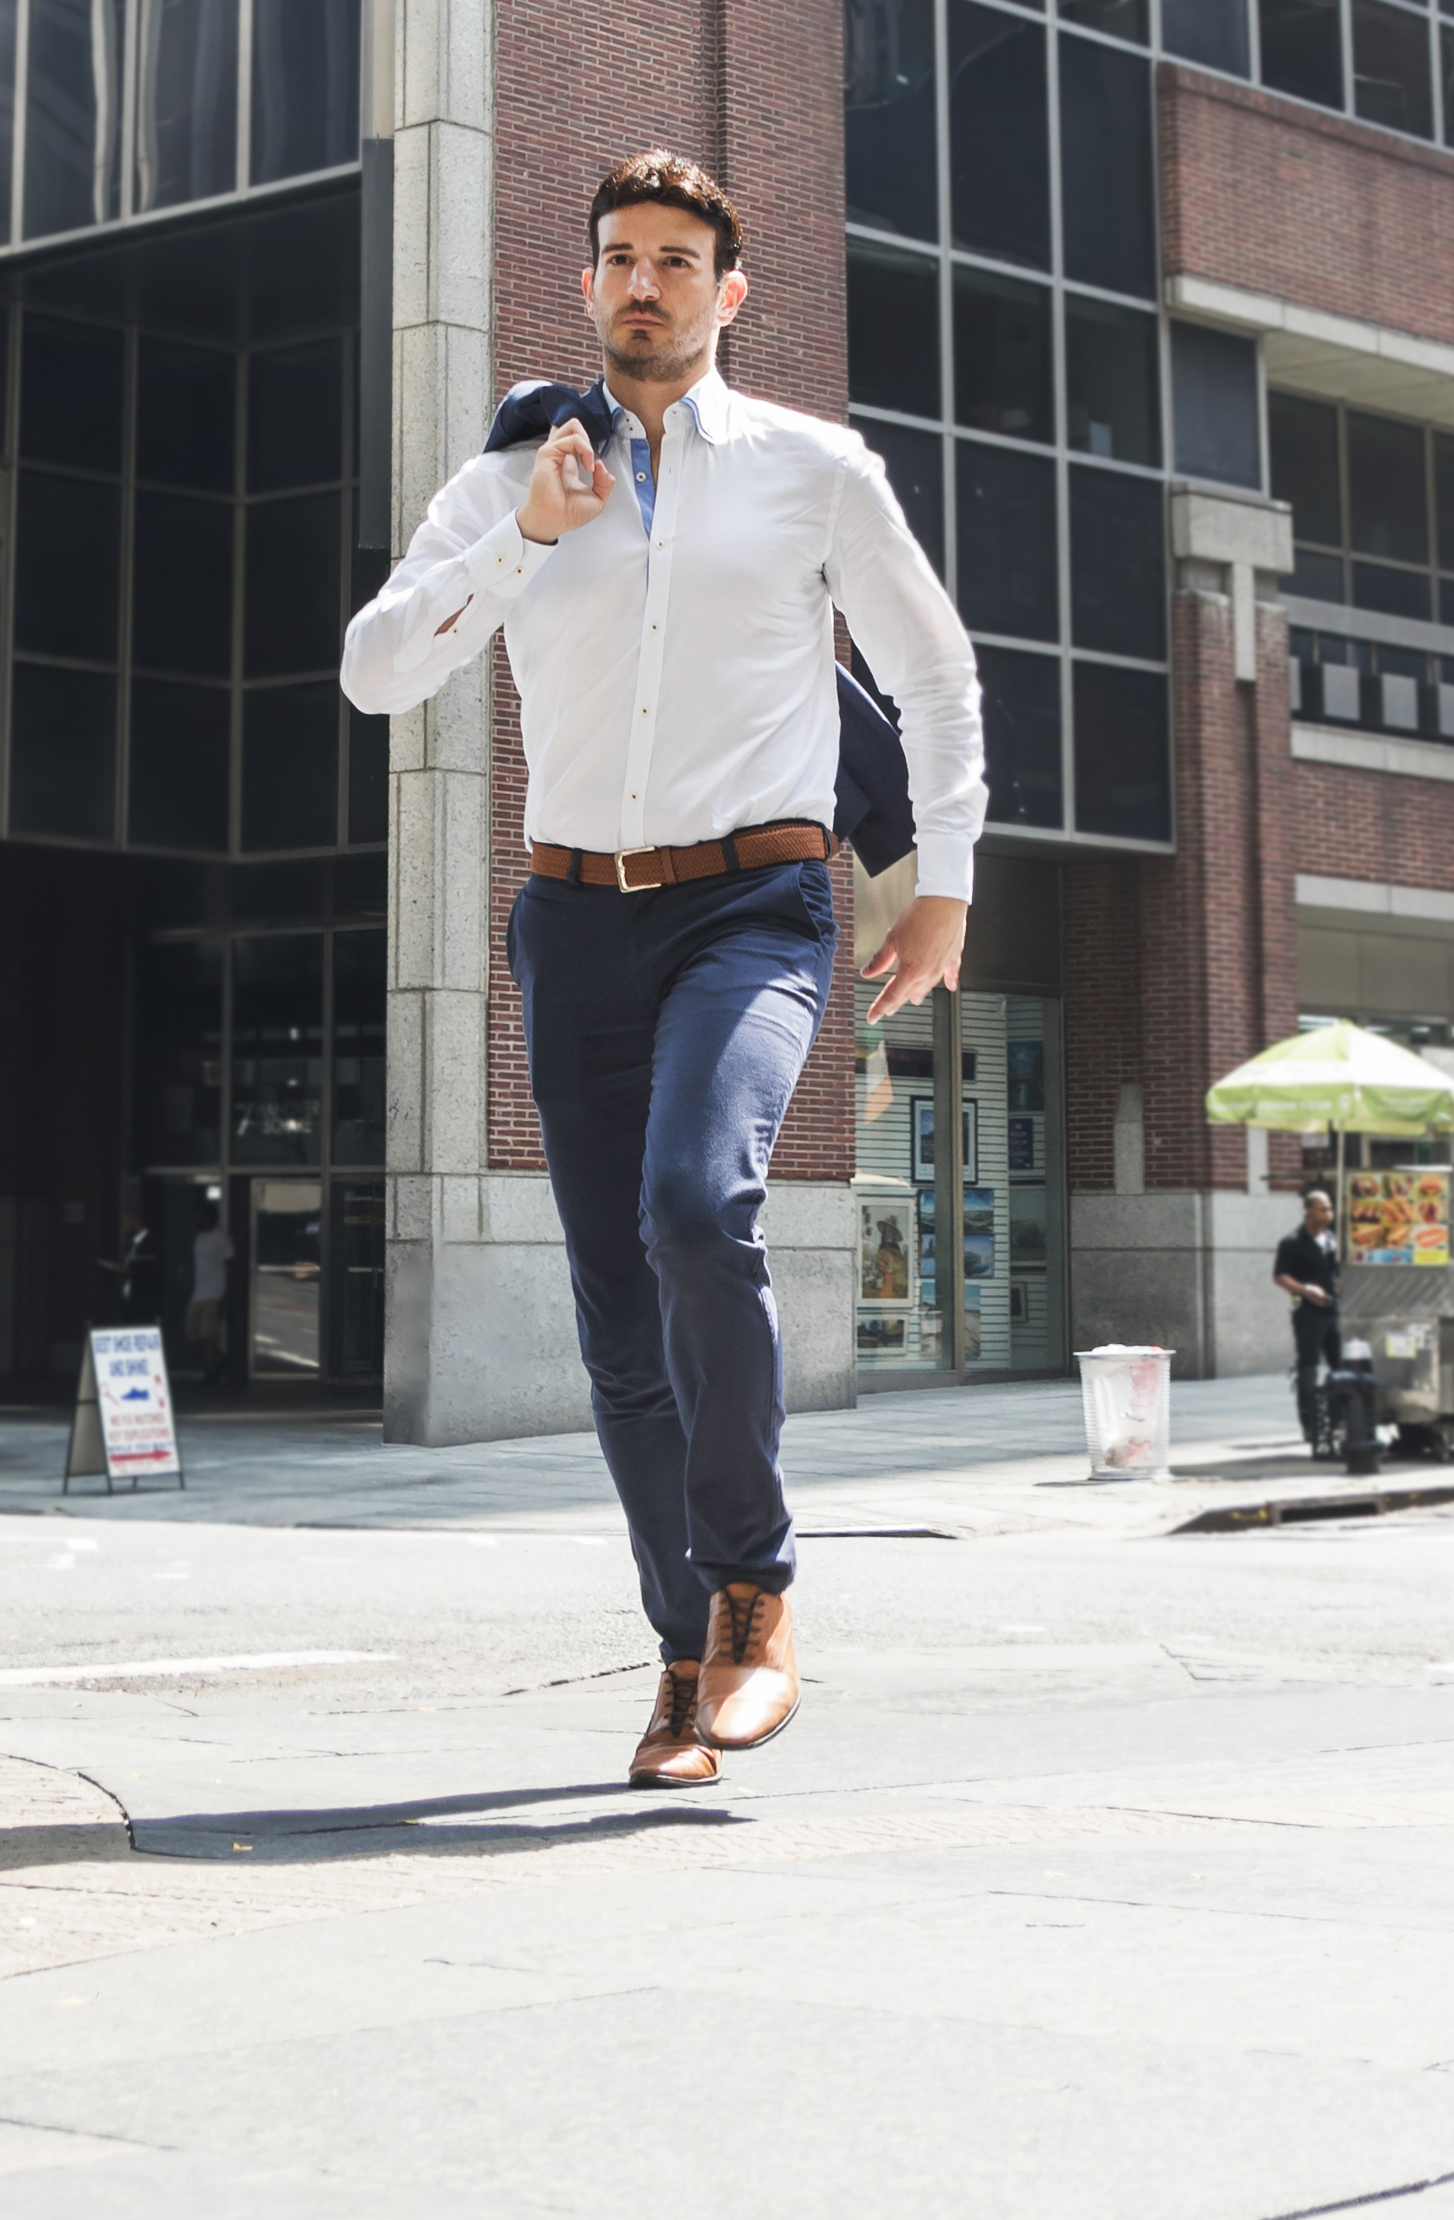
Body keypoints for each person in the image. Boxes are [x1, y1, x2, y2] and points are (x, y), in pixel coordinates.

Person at [342, 152, 985, 1789]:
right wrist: (520, 538)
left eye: (676, 259)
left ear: (725, 290)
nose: (645, 281)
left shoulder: (809, 469)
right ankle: (678, 1651)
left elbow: (928, 669)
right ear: (585, 283)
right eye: (618, 256)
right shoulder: (510, 476)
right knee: (616, 1322)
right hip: (571, 921)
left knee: (696, 1206)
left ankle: (754, 1585)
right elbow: (369, 672)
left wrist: (944, 887)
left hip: (749, 909)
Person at [1275, 1190, 1343, 1454]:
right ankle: (1310, 1425)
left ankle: (1337, 1419)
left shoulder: (1330, 1240)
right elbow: (1280, 1276)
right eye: (1323, 1209)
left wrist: (1340, 1293)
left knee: (1340, 1366)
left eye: (1330, 1209)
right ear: (1309, 1211)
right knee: (1309, 1368)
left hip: (1332, 1311)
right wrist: (1306, 1290)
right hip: (1307, 1313)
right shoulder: (1292, 1242)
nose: (1329, 1214)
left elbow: (1337, 1274)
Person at [184, 1210, 235, 1379]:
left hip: (214, 1293)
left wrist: (226, 1292)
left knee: (209, 1334)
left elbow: (229, 1265)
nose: (198, 1220)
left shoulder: (221, 1237)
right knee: (192, 1332)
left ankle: (211, 1370)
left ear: (208, 1218)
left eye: (201, 1217)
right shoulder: (200, 1237)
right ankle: (220, 1357)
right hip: (198, 1292)